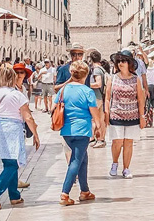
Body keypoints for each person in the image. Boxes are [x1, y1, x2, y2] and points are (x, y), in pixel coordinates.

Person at [0, 64, 40, 210]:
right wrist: (36, 135)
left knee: (9, 162)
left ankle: (14, 196)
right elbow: (28, 117)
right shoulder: (18, 95)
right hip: (12, 129)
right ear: (13, 78)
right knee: (13, 163)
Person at [55, 61, 102, 205]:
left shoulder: (63, 90)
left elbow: (54, 106)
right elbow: (94, 113)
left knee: (83, 159)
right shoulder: (87, 91)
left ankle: (85, 191)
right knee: (75, 161)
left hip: (67, 131)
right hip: (82, 130)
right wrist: (98, 128)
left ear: (71, 73)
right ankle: (65, 193)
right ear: (86, 75)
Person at [105, 50, 146, 179]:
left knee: (128, 142)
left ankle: (126, 168)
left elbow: (140, 99)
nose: (121, 63)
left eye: (123, 61)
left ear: (129, 63)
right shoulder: (112, 78)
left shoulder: (136, 79)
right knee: (117, 142)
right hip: (116, 115)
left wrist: (142, 116)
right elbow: (107, 97)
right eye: (119, 61)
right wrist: (106, 113)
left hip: (132, 115)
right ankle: (115, 163)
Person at [87, 51, 106, 147]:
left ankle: (93, 139)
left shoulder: (96, 70)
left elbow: (98, 83)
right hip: (99, 97)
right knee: (100, 119)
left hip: (95, 97)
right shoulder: (101, 69)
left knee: (93, 120)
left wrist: (87, 85)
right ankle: (101, 139)